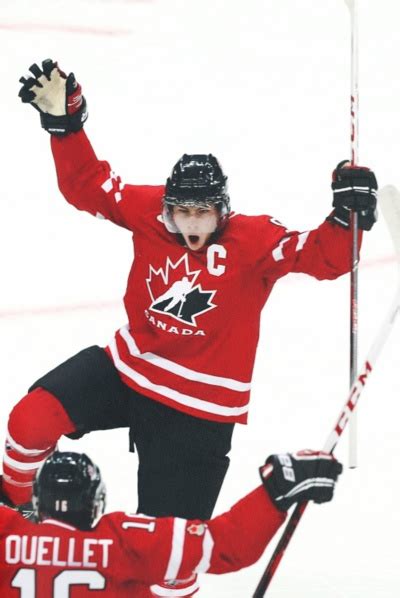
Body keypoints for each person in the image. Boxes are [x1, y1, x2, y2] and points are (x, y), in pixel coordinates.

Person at [3, 60, 377, 522]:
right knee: (29, 421)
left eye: (204, 213)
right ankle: (15, 521)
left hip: (199, 410)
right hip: (129, 368)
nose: (193, 224)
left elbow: (324, 258)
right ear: (167, 208)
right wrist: (65, 126)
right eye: (182, 212)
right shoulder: (147, 212)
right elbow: (89, 186)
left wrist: (346, 218)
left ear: (223, 210)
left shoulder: (254, 240)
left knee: (164, 552)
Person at [0, 449, 342, 597]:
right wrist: (276, 489)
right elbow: (228, 548)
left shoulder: (6, 535)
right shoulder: (124, 541)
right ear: (94, 501)